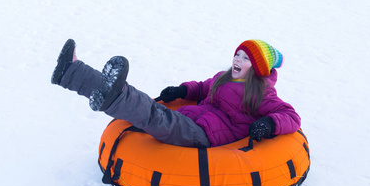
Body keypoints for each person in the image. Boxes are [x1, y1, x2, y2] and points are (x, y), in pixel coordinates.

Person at [51, 39, 301, 148]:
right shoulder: (224, 77)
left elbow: (290, 115)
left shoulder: (260, 92)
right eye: (237, 54)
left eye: (245, 58)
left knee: (151, 115)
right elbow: (203, 87)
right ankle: (72, 73)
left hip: (205, 136)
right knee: (149, 108)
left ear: (256, 68)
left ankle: (94, 83)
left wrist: (269, 123)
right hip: (192, 119)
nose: (237, 59)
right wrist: (182, 89)